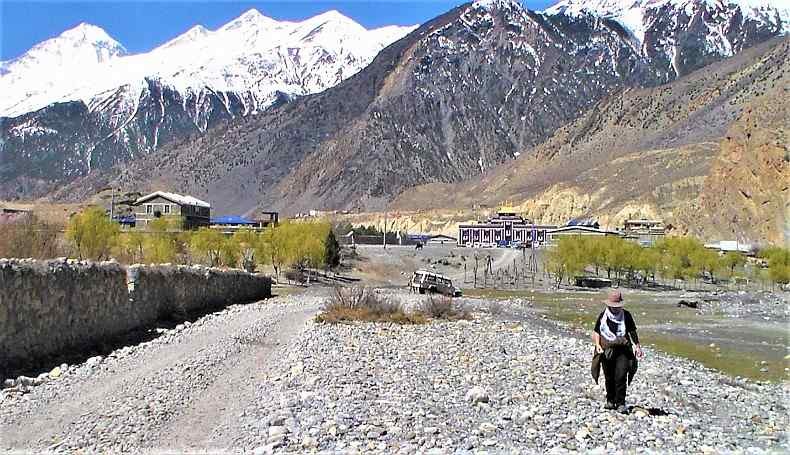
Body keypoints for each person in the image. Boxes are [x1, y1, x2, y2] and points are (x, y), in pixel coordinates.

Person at [592, 290, 644, 413]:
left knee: (621, 376)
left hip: (623, 350)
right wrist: (598, 345)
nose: (614, 309)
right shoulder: (603, 316)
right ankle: (610, 401)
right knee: (609, 376)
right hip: (606, 349)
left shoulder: (626, 315)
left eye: (617, 307)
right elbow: (597, 332)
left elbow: (632, 332)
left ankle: (620, 403)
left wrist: (637, 346)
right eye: (612, 307)